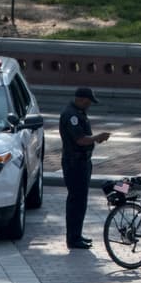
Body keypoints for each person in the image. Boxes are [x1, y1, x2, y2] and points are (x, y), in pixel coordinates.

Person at [59, 87, 111, 250]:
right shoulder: (71, 115)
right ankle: (73, 239)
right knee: (76, 200)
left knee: (81, 201)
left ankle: (77, 235)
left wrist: (95, 140)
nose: (89, 105)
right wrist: (97, 137)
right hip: (75, 163)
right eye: (88, 102)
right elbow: (80, 140)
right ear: (81, 99)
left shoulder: (78, 112)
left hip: (82, 162)